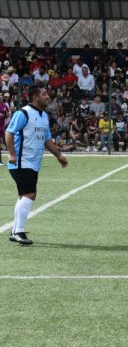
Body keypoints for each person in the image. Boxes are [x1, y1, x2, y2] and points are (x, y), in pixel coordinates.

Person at [6, 84, 69, 245]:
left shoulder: (44, 116)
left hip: (33, 162)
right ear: (35, 97)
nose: (48, 96)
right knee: (30, 194)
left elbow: (47, 140)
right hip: (21, 161)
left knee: (23, 195)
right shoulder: (23, 113)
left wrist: (58, 155)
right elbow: (9, 133)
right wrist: (12, 154)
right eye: (44, 94)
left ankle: (15, 231)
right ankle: (19, 232)